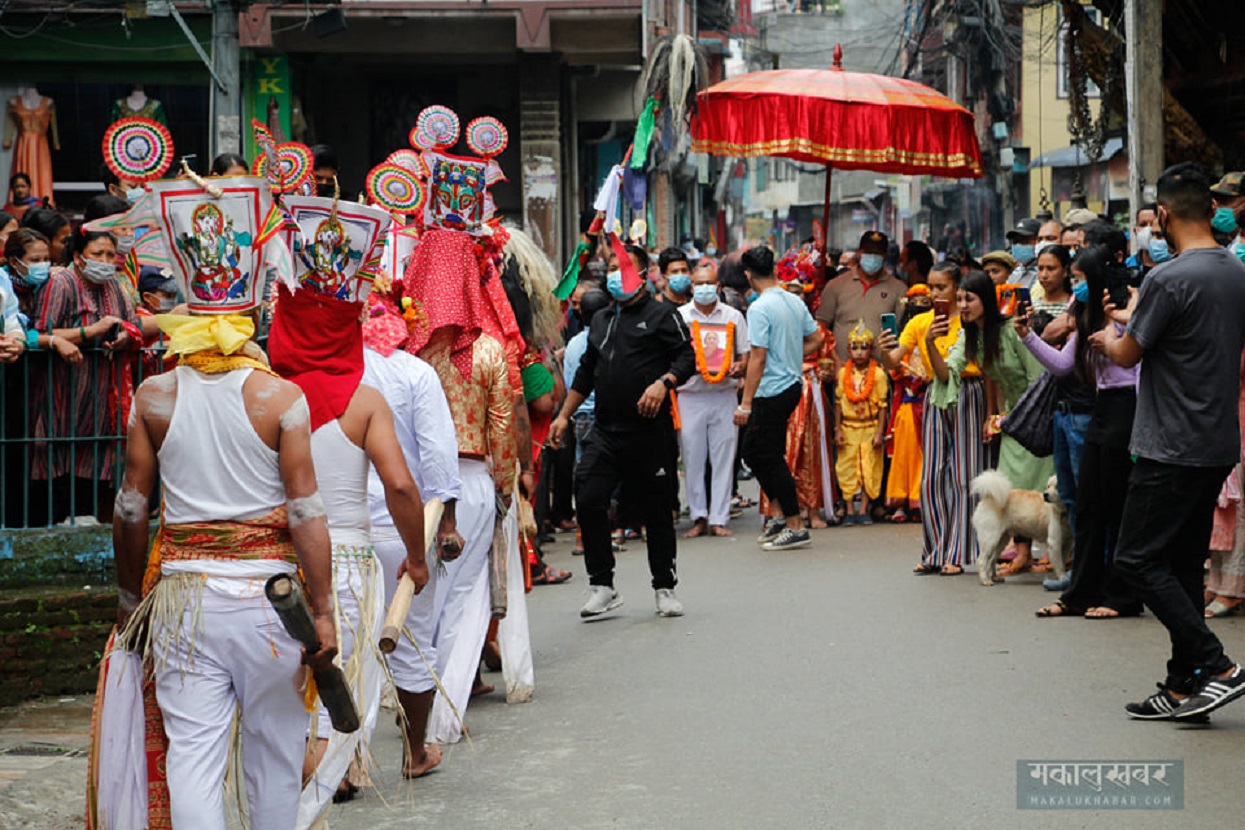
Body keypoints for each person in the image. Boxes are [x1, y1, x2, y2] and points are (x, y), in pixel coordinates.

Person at [110, 225, 338, 829]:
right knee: (275, 753)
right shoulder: (281, 396)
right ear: (251, 318)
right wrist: (324, 611)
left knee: (192, 758)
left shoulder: (153, 396)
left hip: (184, 598)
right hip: (271, 601)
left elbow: (131, 508)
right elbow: (306, 511)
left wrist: (130, 599)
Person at [266, 246, 429, 818]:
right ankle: (321, 783)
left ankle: (316, 771)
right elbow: (401, 487)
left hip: (278, 559)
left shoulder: (259, 396)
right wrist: (416, 556)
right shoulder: (363, 402)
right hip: (350, 558)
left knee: (287, 678)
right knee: (345, 672)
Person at [1092, 162, 1245, 720]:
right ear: (1210, 209)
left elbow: (1129, 354)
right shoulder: (1234, 270)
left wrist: (1108, 336)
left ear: (1162, 216)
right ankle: (1185, 685)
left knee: (1134, 559)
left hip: (1168, 444)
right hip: (1216, 440)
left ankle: (1219, 665)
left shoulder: (1168, 278)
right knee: (1181, 566)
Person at [402, 224, 516, 744]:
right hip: (469, 482)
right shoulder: (488, 351)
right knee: (459, 599)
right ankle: (442, 716)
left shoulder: (404, 352)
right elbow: (501, 429)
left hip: (409, 485)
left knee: (421, 602)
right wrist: (508, 485)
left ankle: (416, 712)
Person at [549, 239, 696, 617]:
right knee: (589, 497)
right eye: (611, 268)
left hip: (650, 434)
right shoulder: (601, 319)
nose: (616, 274)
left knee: (657, 511)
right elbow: (585, 373)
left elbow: (686, 358)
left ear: (644, 275)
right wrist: (564, 415)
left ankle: (664, 587)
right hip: (605, 432)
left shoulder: (663, 316)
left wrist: (664, 382)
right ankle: (602, 585)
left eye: (624, 267)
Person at [360, 304, 462, 778]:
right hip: (404, 532)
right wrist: (444, 525)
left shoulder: (325, 373)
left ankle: (342, 764)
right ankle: (414, 751)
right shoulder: (415, 373)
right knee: (414, 643)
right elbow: (438, 455)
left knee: (344, 644)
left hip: (337, 534)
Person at [1022, 246, 1141, 619]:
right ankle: (1079, 593)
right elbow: (1061, 365)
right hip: (1102, 407)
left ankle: (1121, 596)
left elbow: (1138, 362)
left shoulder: (1127, 314)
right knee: (1088, 507)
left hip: (1127, 408)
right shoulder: (1087, 317)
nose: (1076, 286)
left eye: (1078, 278)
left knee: (1117, 509)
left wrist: (1119, 327)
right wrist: (1027, 335)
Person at [929, 271, 1052, 575]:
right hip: (1012, 419)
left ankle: (1054, 553)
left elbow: (1039, 378)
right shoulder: (969, 336)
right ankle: (1023, 555)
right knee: (1012, 491)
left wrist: (1012, 415)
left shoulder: (1013, 330)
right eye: (959, 299)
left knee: (1044, 491)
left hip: (1039, 416)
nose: (962, 305)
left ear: (985, 299)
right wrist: (930, 342)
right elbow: (947, 374)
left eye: (968, 299)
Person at [879, 262, 985, 574]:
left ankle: (959, 552)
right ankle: (935, 550)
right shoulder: (920, 322)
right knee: (932, 476)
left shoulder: (969, 321)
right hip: (935, 393)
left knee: (965, 474)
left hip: (969, 391)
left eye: (942, 288)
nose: (934, 293)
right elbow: (894, 360)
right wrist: (884, 349)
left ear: (957, 289)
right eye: (930, 287)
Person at [34, 229, 142, 522]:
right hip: (64, 387)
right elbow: (41, 332)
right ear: (79, 258)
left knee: (95, 458)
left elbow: (133, 326)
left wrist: (124, 338)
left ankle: (86, 517)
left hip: (103, 391)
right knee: (57, 454)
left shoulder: (116, 285)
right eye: (97, 254)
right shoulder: (61, 282)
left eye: (110, 255)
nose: (105, 261)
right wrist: (88, 332)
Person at [735, 245, 824, 551]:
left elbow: (757, 358)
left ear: (748, 275)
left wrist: (745, 403)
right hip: (790, 385)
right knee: (753, 452)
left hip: (771, 390)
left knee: (769, 457)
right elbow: (817, 339)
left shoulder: (759, 308)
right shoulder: (793, 301)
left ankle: (795, 524)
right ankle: (777, 512)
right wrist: (793, 355)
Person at [677, 256, 748, 538]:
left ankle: (719, 518)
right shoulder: (680, 317)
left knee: (724, 458)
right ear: (691, 287)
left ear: (718, 286)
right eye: (699, 284)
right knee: (692, 458)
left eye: (709, 283)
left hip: (724, 394)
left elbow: (745, 355)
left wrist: (740, 367)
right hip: (690, 395)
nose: (705, 288)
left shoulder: (733, 317)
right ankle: (698, 517)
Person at [815, 230, 906, 363]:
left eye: (877, 253)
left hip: (881, 373)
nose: (873, 256)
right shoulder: (836, 285)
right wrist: (833, 362)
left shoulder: (899, 289)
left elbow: (906, 334)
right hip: (842, 372)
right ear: (859, 253)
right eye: (868, 252)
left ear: (885, 255)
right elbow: (821, 328)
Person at [883, 284, 931, 523]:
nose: (920, 311)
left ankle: (921, 500)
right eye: (915, 306)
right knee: (904, 455)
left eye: (925, 305)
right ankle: (901, 501)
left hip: (928, 401)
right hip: (907, 404)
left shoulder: (935, 334)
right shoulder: (902, 338)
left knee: (926, 455)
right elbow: (892, 369)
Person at [834, 321, 888, 525]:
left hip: (870, 427)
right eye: (854, 347)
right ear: (848, 350)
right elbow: (839, 402)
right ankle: (849, 509)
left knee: (869, 468)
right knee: (846, 468)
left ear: (871, 350)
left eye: (864, 347)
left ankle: (864, 509)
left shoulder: (879, 375)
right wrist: (837, 429)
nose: (859, 353)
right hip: (848, 427)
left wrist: (879, 432)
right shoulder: (842, 374)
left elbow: (883, 405)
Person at [1005, 218, 1041, 288]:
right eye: (1015, 241)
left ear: (1038, 241)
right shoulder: (1015, 273)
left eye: (1024, 241)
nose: (1018, 245)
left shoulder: (1044, 272)